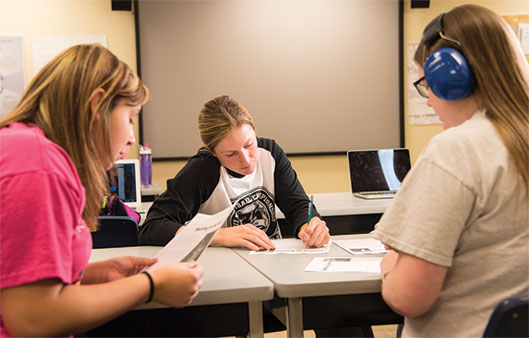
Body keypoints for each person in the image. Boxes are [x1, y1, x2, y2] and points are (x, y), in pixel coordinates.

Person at [0, 44, 203, 337]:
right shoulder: (38, 165)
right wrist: (149, 286)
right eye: (130, 117)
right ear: (97, 105)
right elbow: (33, 318)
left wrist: (91, 274)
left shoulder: (29, 151)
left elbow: (16, 280)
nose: (132, 137)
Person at [371, 4, 528, 337]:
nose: (427, 100)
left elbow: (408, 297)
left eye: (426, 84)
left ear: (451, 77)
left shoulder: (456, 149)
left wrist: (391, 267)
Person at [139, 95, 330, 250]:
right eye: (231, 154)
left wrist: (310, 225)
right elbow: (152, 227)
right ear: (212, 151)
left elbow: (298, 205)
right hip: (225, 267)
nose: (246, 160)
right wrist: (217, 235)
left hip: (272, 258)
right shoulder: (202, 170)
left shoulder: (270, 153)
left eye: (249, 144)